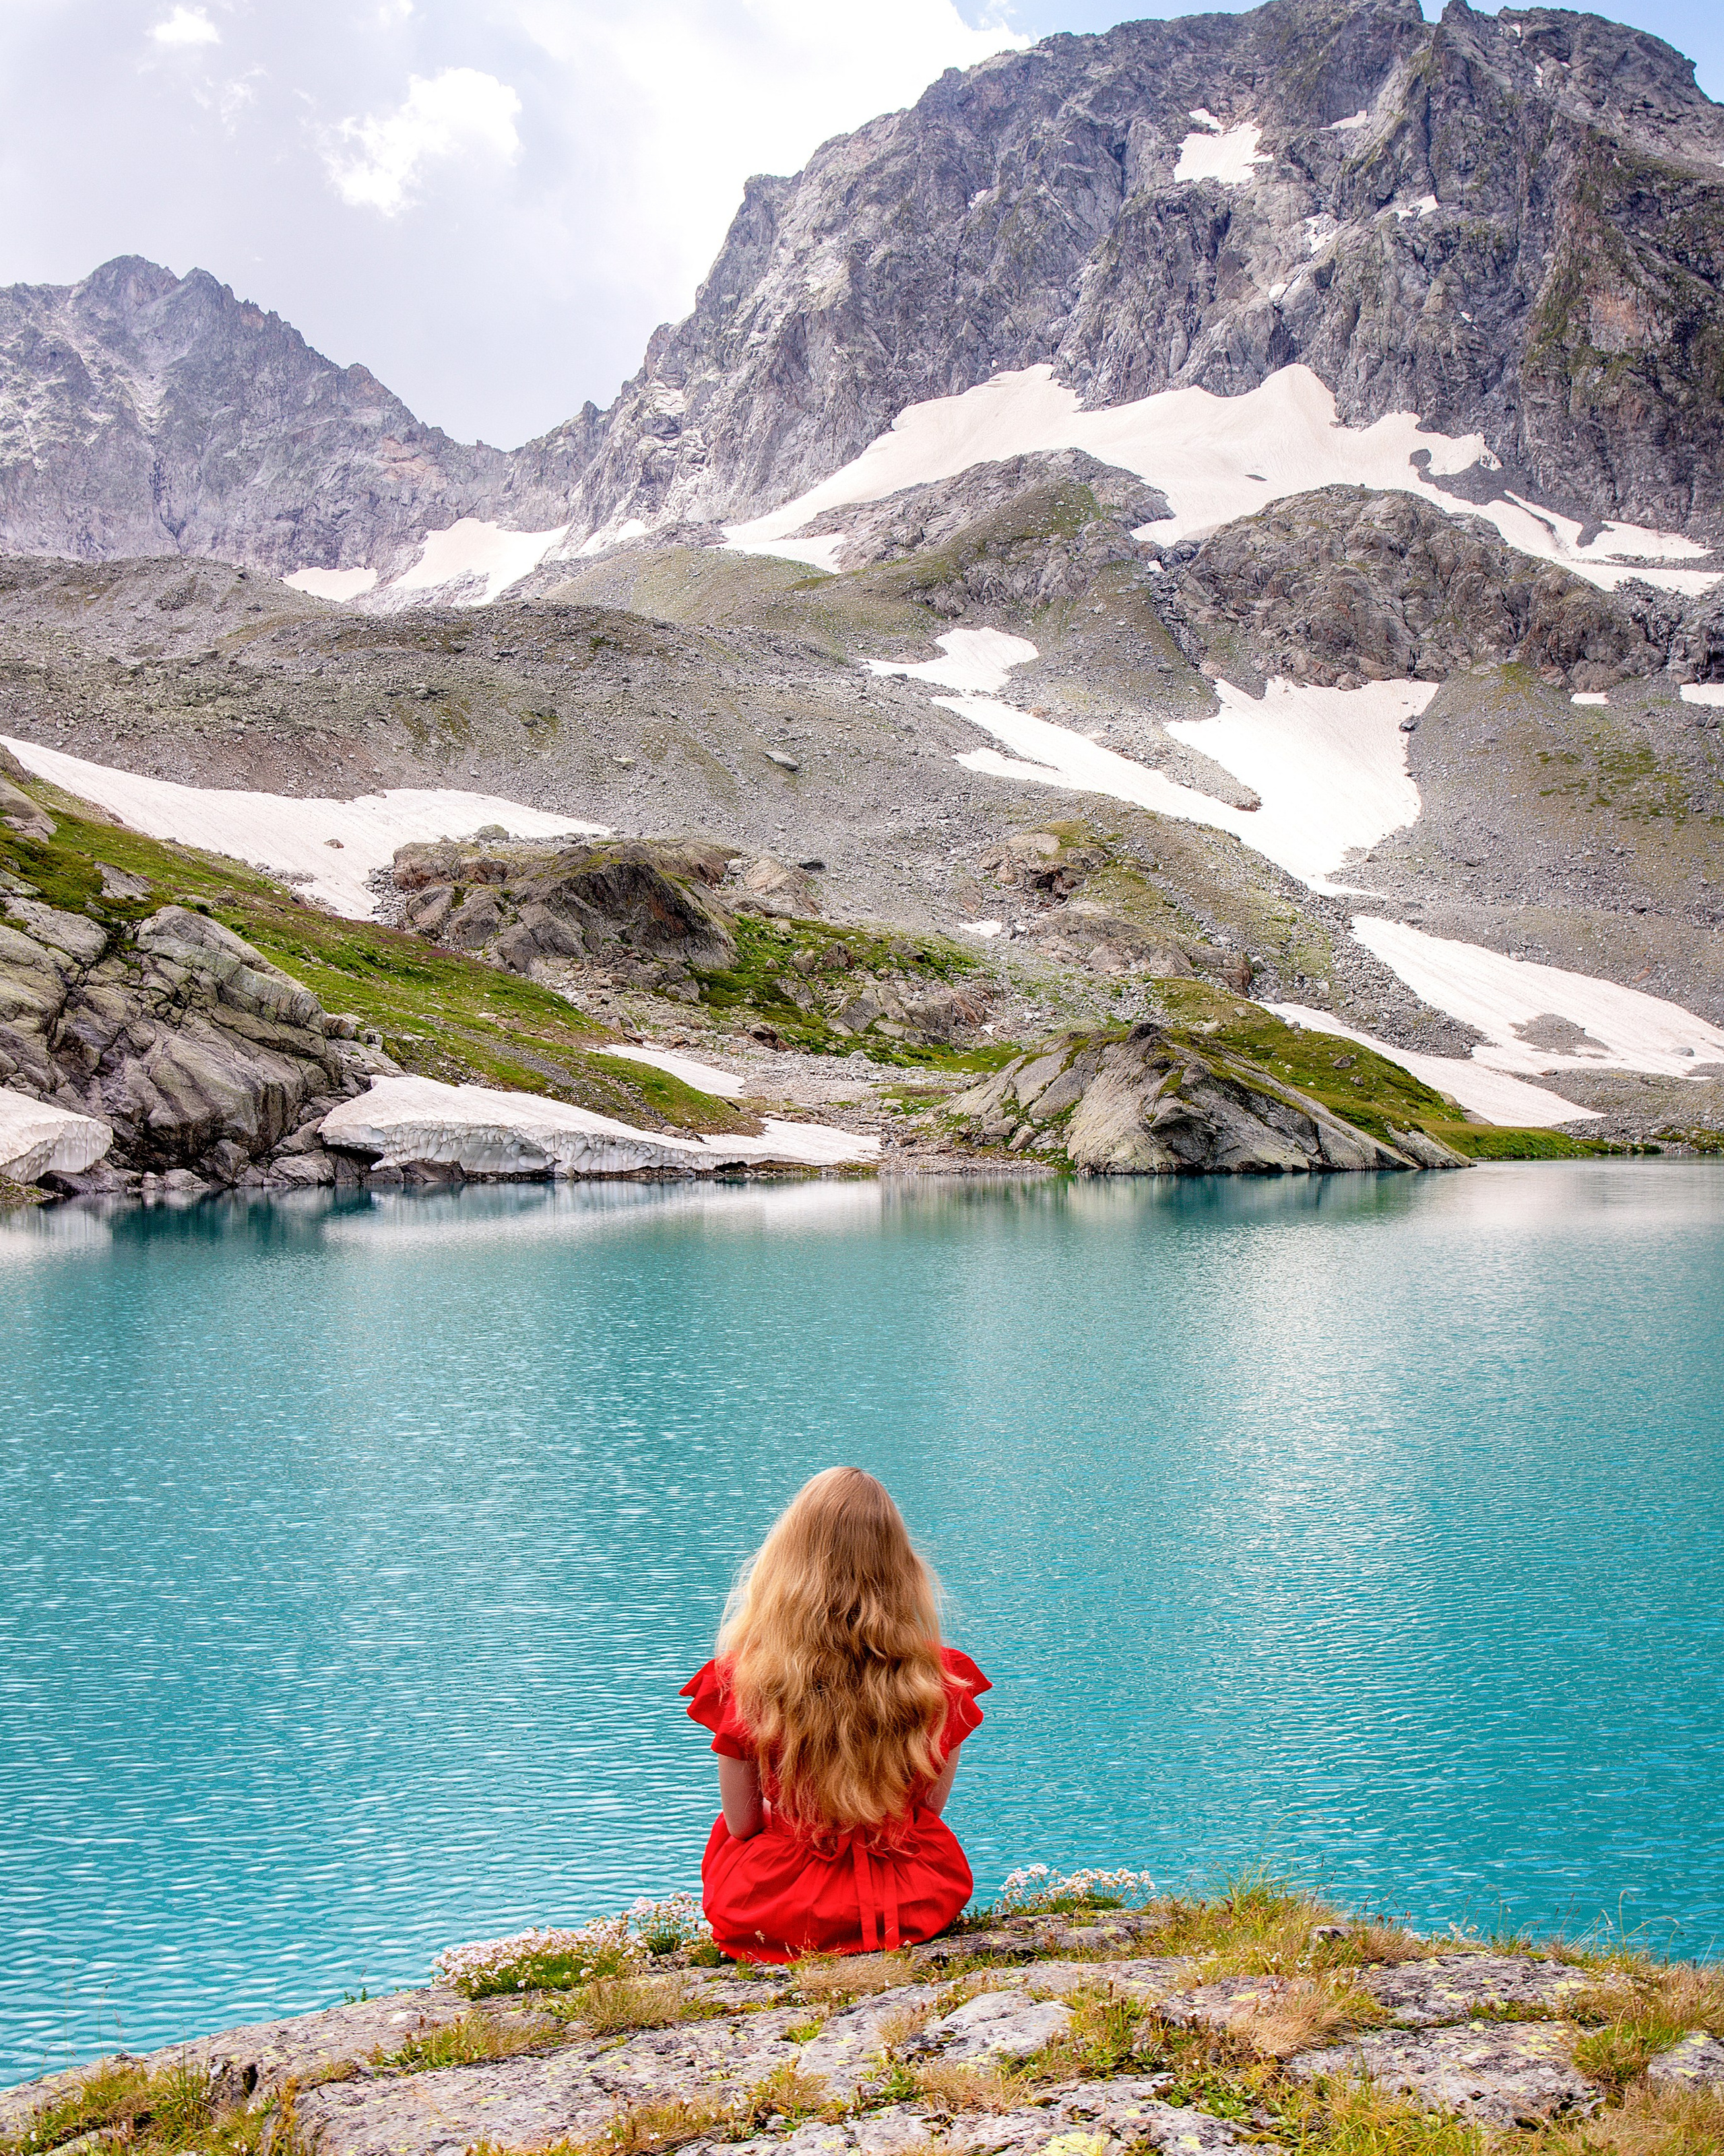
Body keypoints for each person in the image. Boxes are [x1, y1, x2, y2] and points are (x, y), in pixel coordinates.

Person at [680, 1466, 989, 1961]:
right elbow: (928, 1811)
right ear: (899, 1563)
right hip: (910, 1901)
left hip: (778, 1910)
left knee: (729, 1836)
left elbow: (741, 1825)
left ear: (786, 1560)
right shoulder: (942, 1677)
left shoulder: (742, 1678)